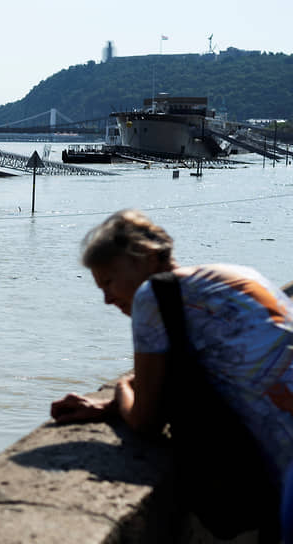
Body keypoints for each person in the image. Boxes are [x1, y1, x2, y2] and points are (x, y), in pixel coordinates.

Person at [50, 209, 293, 539]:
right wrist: (107, 408)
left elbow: (144, 421)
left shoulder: (153, 296)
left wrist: (121, 390)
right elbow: (218, 366)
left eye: (108, 281)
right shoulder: (234, 275)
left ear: (146, 258)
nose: (107, 299)